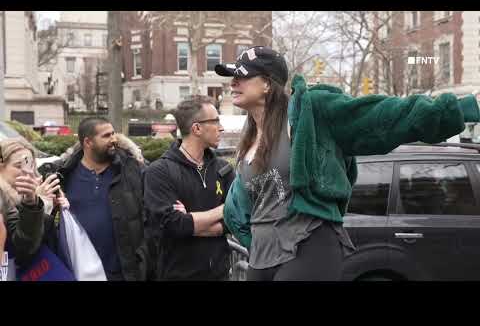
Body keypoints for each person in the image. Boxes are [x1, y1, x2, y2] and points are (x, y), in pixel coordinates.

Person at [215, 45, 480, 281]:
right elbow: (235, 210)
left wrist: (459, 109)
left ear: (267, 84)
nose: (233, 82)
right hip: (263, 256)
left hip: (309, 243)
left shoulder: (309, 113)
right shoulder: (247, 142)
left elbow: (381, 118)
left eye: (242, 75)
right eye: (232, 77)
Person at [44, 117, 153, 281]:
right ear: (88, 142)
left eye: (113, 133)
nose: (114, 139)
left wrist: (144, 257)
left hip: (124, 272)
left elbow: (150, 216)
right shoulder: (64, 176)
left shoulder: (133, 170)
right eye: (106, 136)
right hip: (79, 272)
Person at [144, 95, 235, 280]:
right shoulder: (159, 171)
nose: (221, 127)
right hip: (177, 274)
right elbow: (172, 225)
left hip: (220, 274)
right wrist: (223, 209)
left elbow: (237, 218)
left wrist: (190, 222)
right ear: (197, 128)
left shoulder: (223, 169)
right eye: (215, 121)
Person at [0, 138, 60, 269]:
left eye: (30, 165)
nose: (27, 171)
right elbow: (24, 247)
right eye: (18, 166)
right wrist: (37, 205)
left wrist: (52, 206)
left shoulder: (27, 193)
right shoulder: (3, 198)